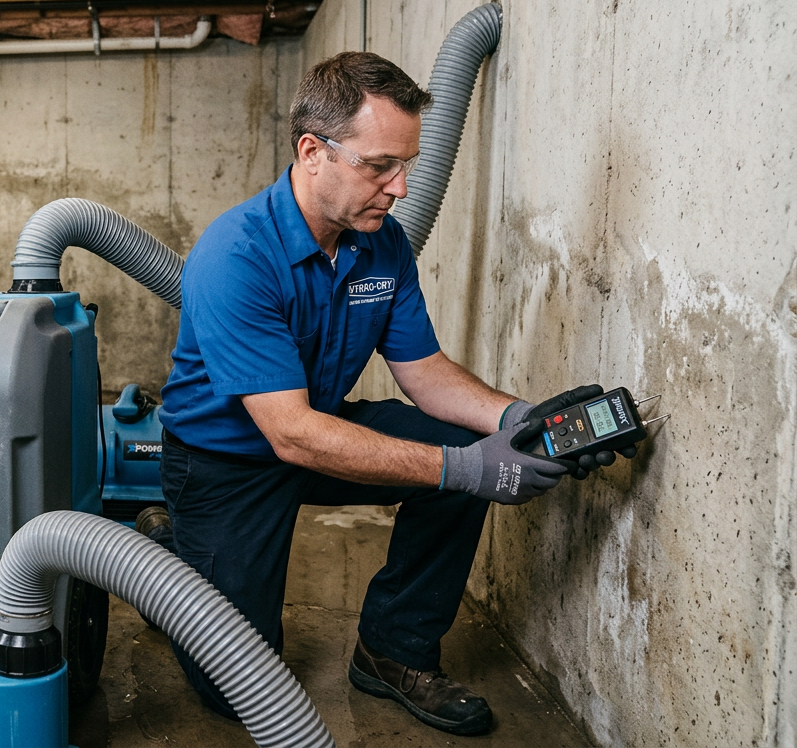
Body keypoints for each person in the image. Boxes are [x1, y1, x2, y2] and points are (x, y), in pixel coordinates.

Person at [139, 52, 634, 736]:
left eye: (406, 165)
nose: (400, 187)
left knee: (469, 446)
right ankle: (165, 569)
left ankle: (392, 652)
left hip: (314, 425)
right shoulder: (235, 256)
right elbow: (288, 434)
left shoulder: (382, 244)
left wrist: (519, 419)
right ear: (313, 152)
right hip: (225, 463)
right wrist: (466, 470)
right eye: (380, 166)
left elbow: (425, 372)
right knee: (237, 686)